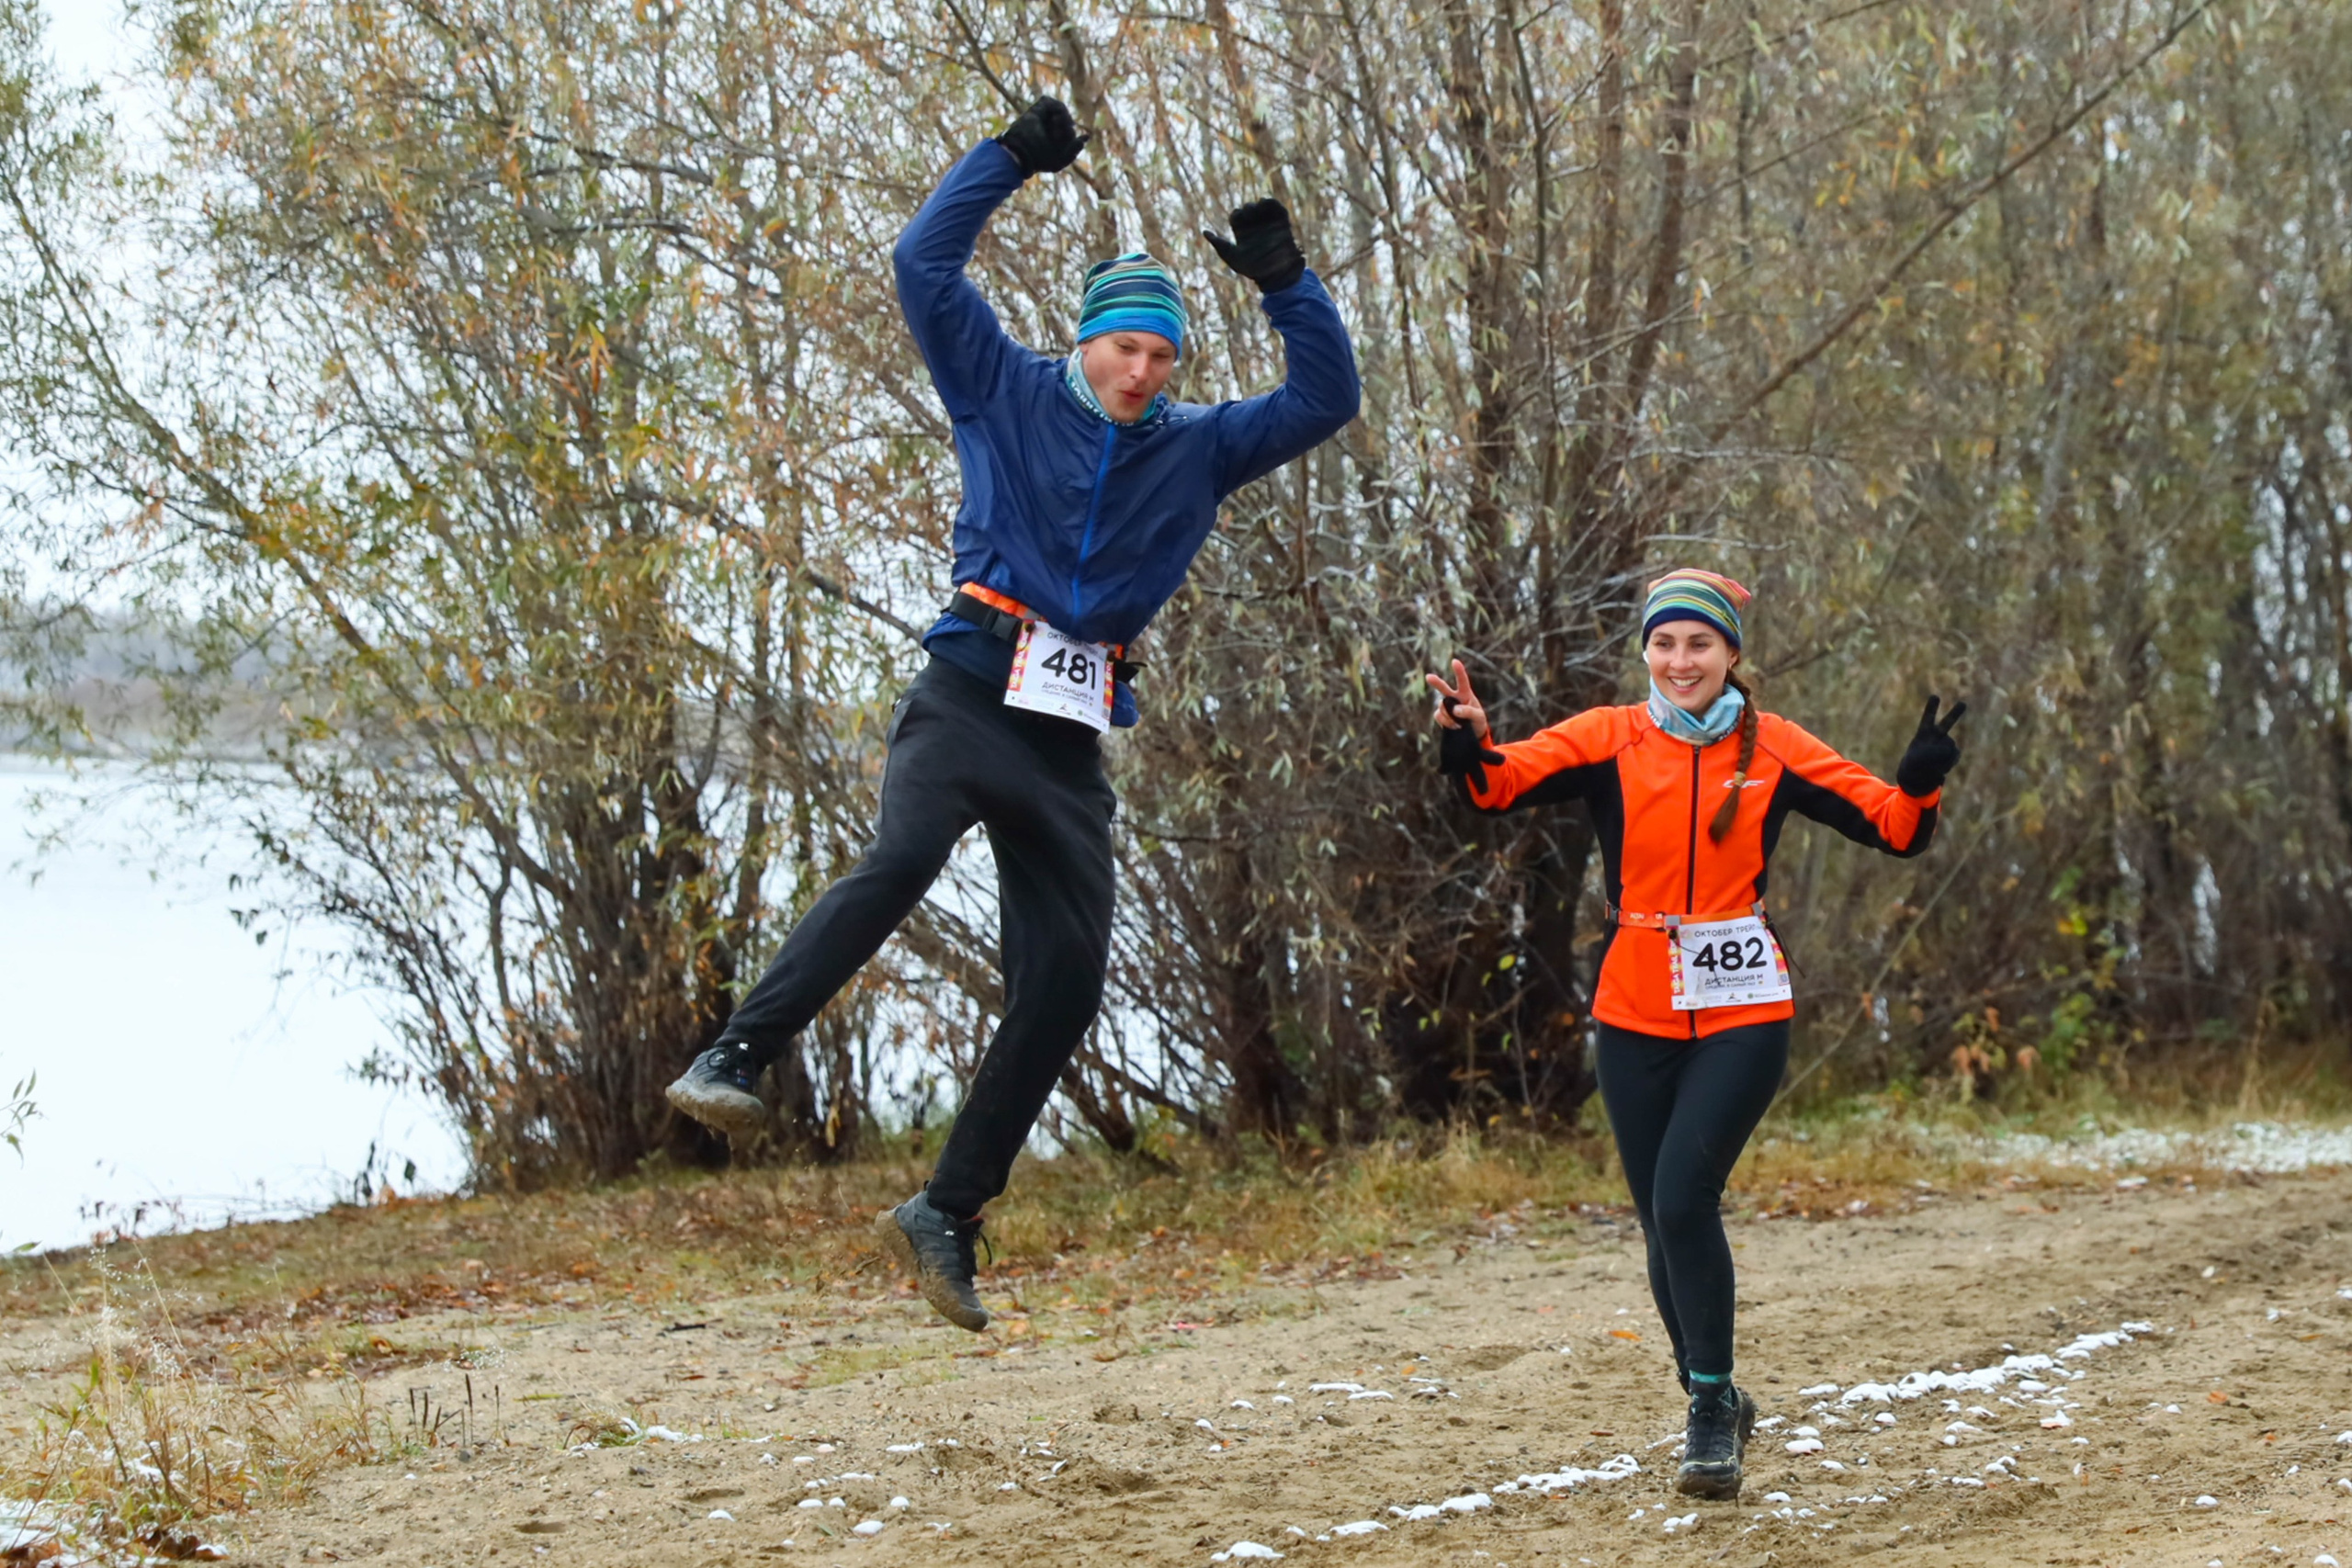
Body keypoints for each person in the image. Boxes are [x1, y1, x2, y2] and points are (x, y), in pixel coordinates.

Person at [666, 96, 1361, 1332]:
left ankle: (946, 1209)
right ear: (1087, 340)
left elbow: (1325, 398)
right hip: (970, 688)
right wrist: (1005, 160)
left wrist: (1284, 283)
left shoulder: (1199, 445)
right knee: (900, 859)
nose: (1141, 373)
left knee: (1067, 980)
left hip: (1067, 730)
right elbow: (920, 264)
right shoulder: (1001, 387)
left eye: (1161, 357)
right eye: (1125, 349)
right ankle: (736, 1053)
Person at [1424, 568, 1964, 1500]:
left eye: (1699, 644)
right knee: (1658, 1223)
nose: (1681, 660)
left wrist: (1919, 785)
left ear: (1729, 654)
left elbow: (1894, 827)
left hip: (1743, 1008)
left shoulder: (1776, 746)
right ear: (1646, 652)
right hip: (1633, 1007)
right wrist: (1466, 739)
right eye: (1665, 643)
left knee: (1684, 1200)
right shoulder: (1608, 736)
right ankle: (1713, 1388)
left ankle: (1709, 1409)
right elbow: (1495, 787)